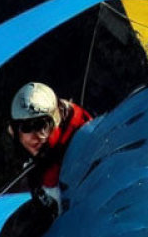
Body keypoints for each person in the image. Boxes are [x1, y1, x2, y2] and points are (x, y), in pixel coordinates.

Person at [8, 82, 93, 211]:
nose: (35, 136)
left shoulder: (81, 147)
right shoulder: (43, 149)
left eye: (40, 125)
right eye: (26, 127)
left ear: (56, 121)